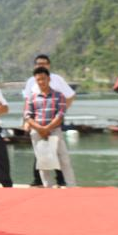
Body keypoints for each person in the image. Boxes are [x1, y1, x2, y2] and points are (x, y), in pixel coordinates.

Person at [21, 55, 73, 186]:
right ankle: (43, 184)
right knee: (42, 159)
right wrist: (28, 123)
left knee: (61, 156)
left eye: (44, 63)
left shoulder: (57, 80)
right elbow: (27, 105)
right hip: (37, 124)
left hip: (54, 122)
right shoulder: (30, 81)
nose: (41, 65)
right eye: (39, 63)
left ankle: (65, 183)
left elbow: (70, 96)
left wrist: (61, 113)